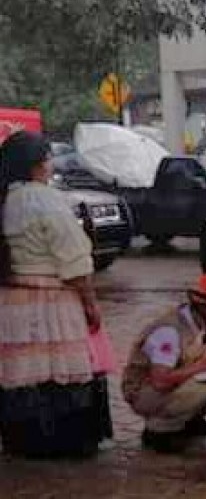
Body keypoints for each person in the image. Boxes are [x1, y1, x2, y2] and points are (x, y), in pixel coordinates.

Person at [0, 131, 112, 458]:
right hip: (51, 302)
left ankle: (26, 442)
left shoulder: (5, 199)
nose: (51, 165)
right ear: (37, 164)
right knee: (59, 374)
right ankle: (63, 443)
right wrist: (90, 304)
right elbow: (74, 259)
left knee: (23, 375)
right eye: (48, 158)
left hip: (12, 304)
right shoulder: (43, 199)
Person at [121, 271, 206, 453]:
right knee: (201, 389)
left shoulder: (197, 324)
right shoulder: (170, 331)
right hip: (144, 391)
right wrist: (201, 366)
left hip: (165, 385)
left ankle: (189, 422)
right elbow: (160, 380)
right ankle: (160, 431)